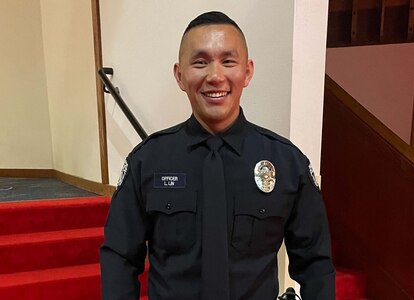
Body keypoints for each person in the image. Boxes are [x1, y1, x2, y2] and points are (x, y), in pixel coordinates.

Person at [100, 11, 335, 300]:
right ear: (180, 75)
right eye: (200, 62)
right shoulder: (147, 162)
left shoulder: (287, 163)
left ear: (247, 72)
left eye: (228, 61)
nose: (215, 76)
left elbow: (315, 263)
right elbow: (120, 258)